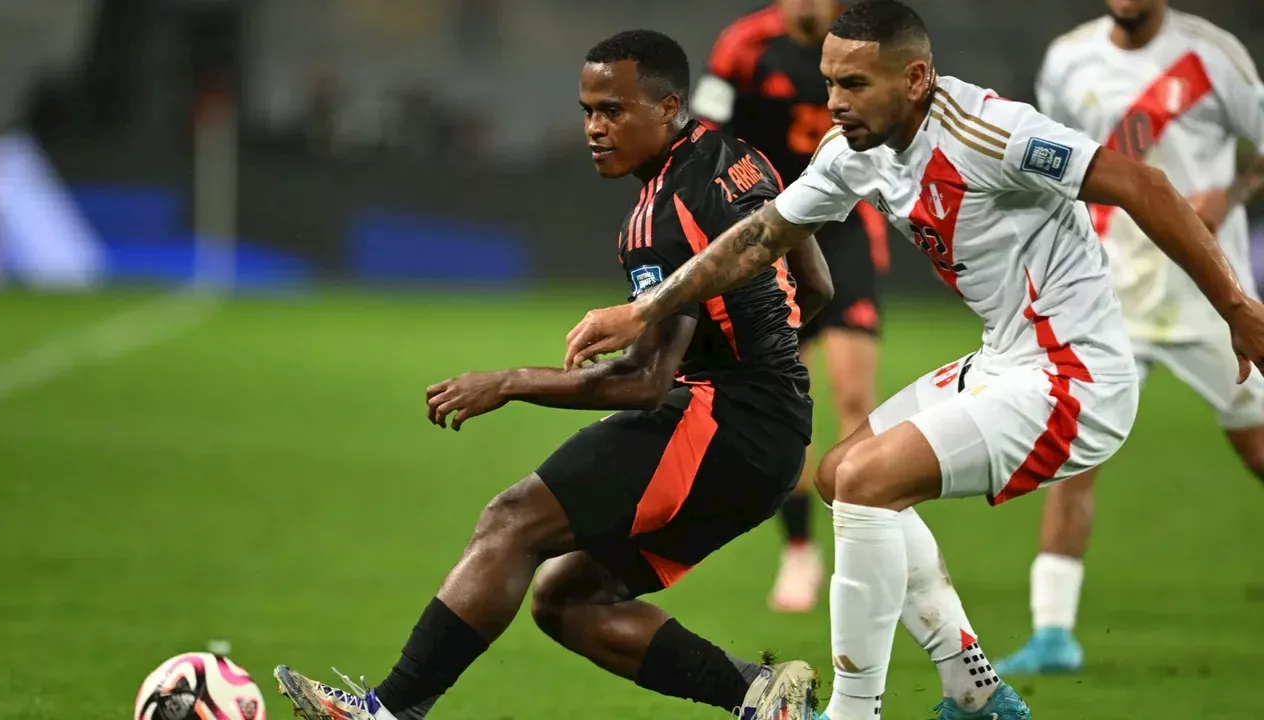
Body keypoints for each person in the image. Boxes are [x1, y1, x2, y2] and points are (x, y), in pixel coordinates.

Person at [562, 2, 1264, 718]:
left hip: (1073, 378)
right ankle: (973, 689)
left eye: (856, 85)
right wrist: (645, 310)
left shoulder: (992, 133)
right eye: (831, 82)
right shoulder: (849, 151)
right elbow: (757, 237)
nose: (835, 101)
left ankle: (853, 712)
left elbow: (1142, 184)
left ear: (917, 78)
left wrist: (1239, 309)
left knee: (867, 483)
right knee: (840, 476)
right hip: (1005, 360)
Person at [271, 29, 833, 720]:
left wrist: (506, 382)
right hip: (773, 439)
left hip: (722, 424)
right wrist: (747, 344)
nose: (595, 128)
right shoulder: (744, 160)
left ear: (666, 108)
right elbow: (817, 287)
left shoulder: (657, 217)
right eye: (588, 110)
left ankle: (386, 712)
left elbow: (641, 384)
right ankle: (761, 697)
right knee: (568, 599)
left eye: (614, 110)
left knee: (511, 521)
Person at [994, 0, 1264, 676]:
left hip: (1207, 299)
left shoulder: (1213, 54)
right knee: (1075, 456)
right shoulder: (1067, 60)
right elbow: (1052, 168)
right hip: (1106, 295)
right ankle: (1052, 635)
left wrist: (1230, 195)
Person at [692, 0, 891, 613]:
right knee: (789, 399)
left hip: (846, 226)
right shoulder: (744, 46)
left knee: (855, 397)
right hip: (773, 230)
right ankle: (800, 551)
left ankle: (871, 550)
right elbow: (704, 132)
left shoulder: (861, 42)